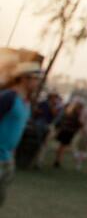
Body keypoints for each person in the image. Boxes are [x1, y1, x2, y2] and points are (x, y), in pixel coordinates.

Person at [0, 61, 42, 207]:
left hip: (8, 159)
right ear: (24, 78)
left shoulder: (26, 102)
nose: (37, 82)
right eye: (35, 78)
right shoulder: (7, 97)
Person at [52, 99, 84, 168]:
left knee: (62, 146)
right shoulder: (77, 114)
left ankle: (57, 159)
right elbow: (79, 123)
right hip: (69, 131)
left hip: (64, 129)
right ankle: (58, 160)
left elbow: (61, 119)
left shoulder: (67, 111)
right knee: (63, 146)